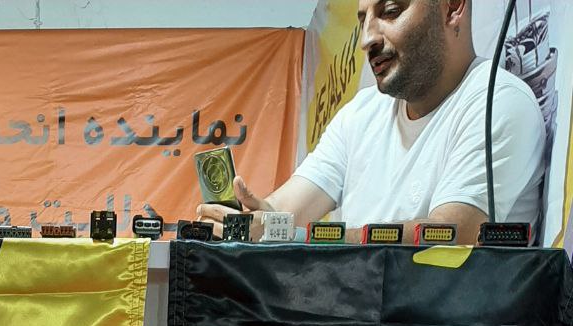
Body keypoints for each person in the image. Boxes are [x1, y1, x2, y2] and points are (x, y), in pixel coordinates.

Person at [198, 0, 546, 243]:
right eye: (363, 20)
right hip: (359, 322)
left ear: (453, 7)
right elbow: (284, 210)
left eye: (390, 12)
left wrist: (289, 234)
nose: (367, 40)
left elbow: (451, 237)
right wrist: (246, 221)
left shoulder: (498, 101)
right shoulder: (361, 113)